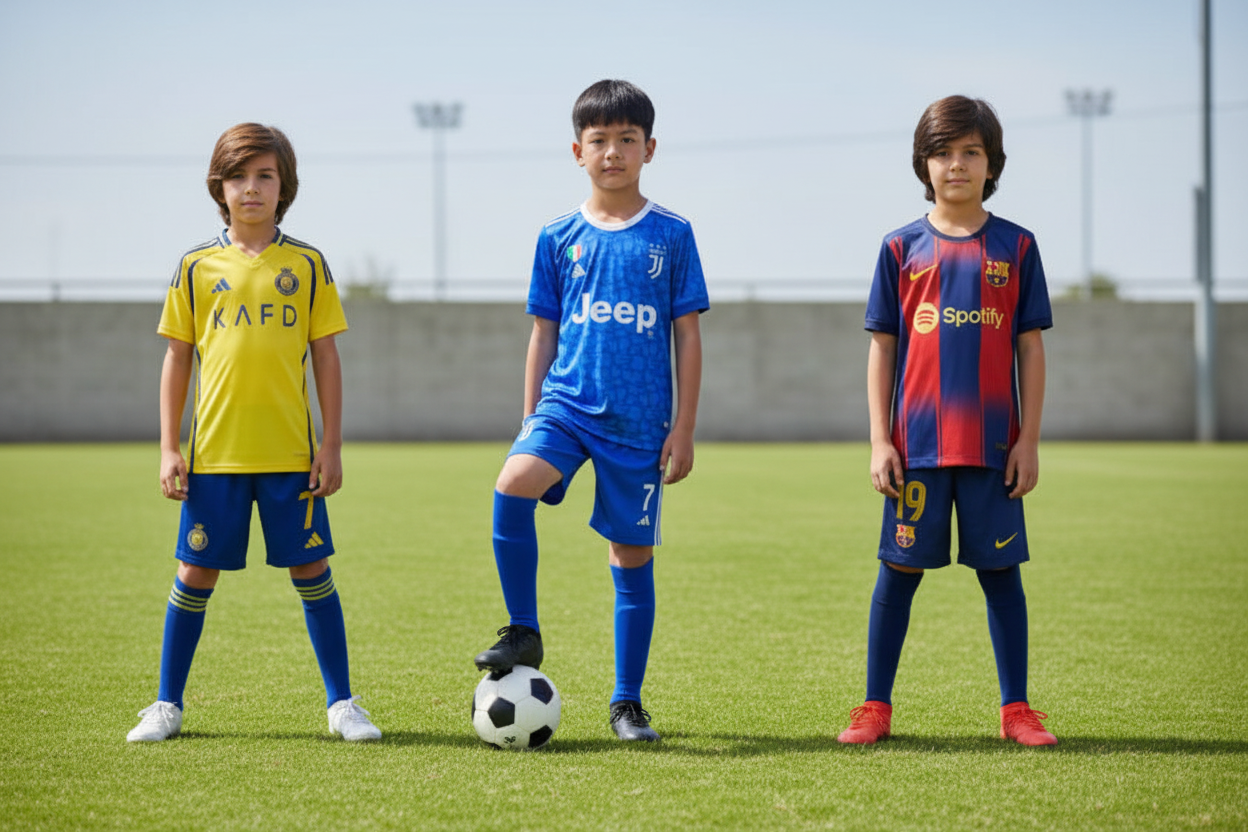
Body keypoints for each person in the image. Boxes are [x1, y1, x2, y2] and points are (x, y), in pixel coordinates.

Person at [127, 123, 380, 743]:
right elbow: (177, 357)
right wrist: (168, 447)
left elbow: (326, 356)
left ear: (283, 186)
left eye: (265, 175)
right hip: (215, 456)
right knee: (194, 575)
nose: (251, 188)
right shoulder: (195, 266)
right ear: (220, 186)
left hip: (292, 455)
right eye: (239, 176)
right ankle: (166, 705)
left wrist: (331, 443)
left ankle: (342, 704)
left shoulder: (307, 264)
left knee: (312, 570)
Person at [473, 79, 709, 742]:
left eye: (627, 140)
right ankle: (523, 629)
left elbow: (687, 335)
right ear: (578, 150)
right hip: (566, 406)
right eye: (600, 141)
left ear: (649, 149)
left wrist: (684, 428)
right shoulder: (557, 236)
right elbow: (543, 332)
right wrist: (530, 418)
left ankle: (626, 702)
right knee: (511, 484)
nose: (613, 152)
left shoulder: (672, 234)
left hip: (638, 426)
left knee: (630, 558)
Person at [837, 96, 1057, 746]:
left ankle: (1016, 709)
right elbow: (882, 348)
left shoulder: (1016, 246)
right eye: (942, 152)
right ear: (923, 163)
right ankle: (875, 706)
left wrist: (1029, 439)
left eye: (970, 152)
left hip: (992, 448)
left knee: (1001, 577)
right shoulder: (900, 247)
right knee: (897, 575)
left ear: (992, 164)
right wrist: (880, 439)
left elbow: (1030, 347)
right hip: (918, 449)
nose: (955, 165)